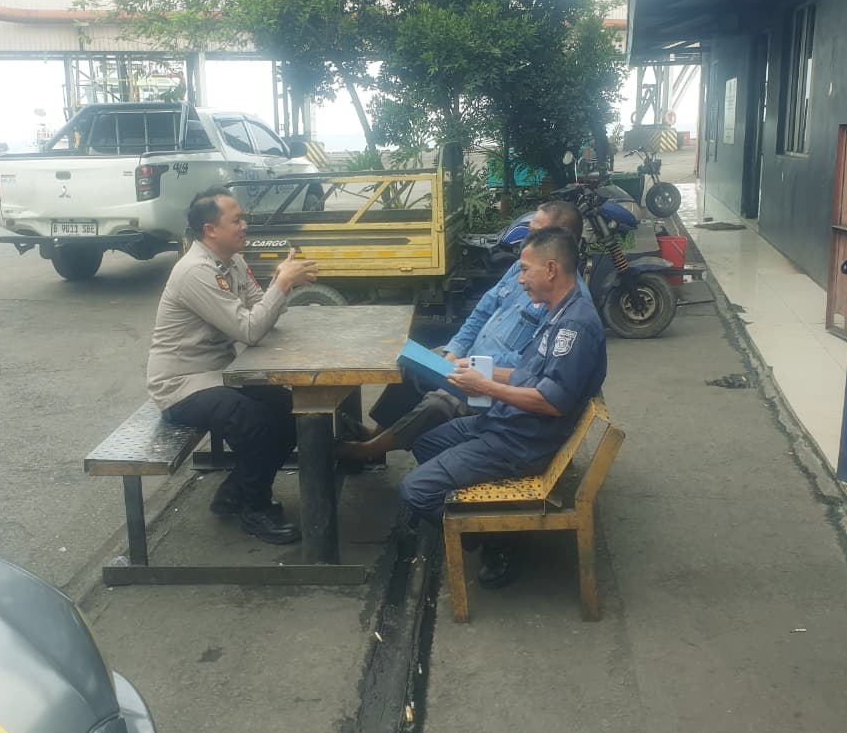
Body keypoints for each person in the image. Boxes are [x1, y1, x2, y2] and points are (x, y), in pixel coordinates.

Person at [397, 227, 606, 587]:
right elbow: (530, 374)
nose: (520, 279)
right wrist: (480, 369)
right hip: (505, 423)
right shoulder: (558, 311)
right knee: (425, 443)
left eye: (525, 270)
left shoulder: (574, 326)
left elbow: (551, 401)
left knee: (414, 490)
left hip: (522, 442)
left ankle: (497, 538)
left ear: (551, 269)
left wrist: (484, 386)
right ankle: (477, 518)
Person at [337, 200, 585, 461]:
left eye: (536, 234)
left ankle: (369, 451)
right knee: (413, 364)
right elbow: (482, 311)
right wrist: (455, 351)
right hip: (468, 361)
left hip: (494, 381)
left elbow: (530, 366)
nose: (527, 241)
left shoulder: (563, 302)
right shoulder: (522, 267)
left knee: (439, 404)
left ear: (561, 242)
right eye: (528, 231)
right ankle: (376, 435)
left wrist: (474, 367)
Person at [146, 187, 318, 544]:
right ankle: (255, 507)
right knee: (255, 424)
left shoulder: (233, 262)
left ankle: (233, 492)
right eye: (236, 220)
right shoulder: (195, 271)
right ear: (210, 230)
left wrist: (281, 285)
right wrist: (281, 284)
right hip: (182, 386)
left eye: (243, 219)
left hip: (220, 375)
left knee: (292, 409)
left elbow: (261, 310)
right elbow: (251, 329)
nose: (244, 226)